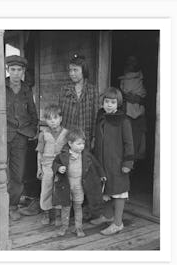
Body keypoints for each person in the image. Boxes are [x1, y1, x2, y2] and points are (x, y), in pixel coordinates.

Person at [90, 87, 134, 235]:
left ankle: (118, 223)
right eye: (107, 101)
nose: (109, 105)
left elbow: (129, 143)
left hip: (117, 163)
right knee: (107, 189)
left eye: (113, 102)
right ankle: (107, 216)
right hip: (102, 161)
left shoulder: (123, 121)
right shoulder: (101, 116)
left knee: (119, 191)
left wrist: (128, 163)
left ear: (118, 104)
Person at [52, 128, 106, 237]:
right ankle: (64, 226)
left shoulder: (86, 155)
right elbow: (54, 164)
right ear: (70, 143)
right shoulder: (63, 155)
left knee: (78, 206)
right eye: (78, 144)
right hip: (66, 186)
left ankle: (78, 227)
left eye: (83, 143)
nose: (82, 146)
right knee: (66, 207)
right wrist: (59, 168)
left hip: (79, 186)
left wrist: (102, 175)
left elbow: (96, 165)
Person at [5, 55, 38, 221]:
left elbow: (33, 113)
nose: (16, 73)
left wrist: (33, 130)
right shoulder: (0, 86)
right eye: (13, 70)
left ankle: (12, 206)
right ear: (8, 70)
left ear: (23, 71)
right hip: (3, 135)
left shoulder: (26, 89)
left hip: (21, 137)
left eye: (19, 70)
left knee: (18, 174)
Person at [27, 104, 68, 225]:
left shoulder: (66, 133)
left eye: (55, 118)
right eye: (49, 119)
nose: (53, 121)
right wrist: (39, 168)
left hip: (60, 165)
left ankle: (58, 215)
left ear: (60, 118)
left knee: (60, 189)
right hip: (47, 166)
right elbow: (39, 153)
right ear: (46, 120)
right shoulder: (43, 134)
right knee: (46, 189)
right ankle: (45, 213)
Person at [58, 54, 99, 151]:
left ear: (83, 71)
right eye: (70, 70)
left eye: (75, 70)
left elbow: (95, 115)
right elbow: (59, 114)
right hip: (67, 138)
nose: (72, 73)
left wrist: (94, 137)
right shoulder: (64, 90)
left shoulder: (92, 90)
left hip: (85, 138)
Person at [118, 56, 147, 160]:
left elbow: (148, 97)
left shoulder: (142, 78)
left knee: (137, 142)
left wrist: (138, 99)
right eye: (130, 62)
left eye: (134, 62)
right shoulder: (123, 80)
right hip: (126, 114)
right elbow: (120, 96)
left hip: (139, 115)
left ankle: (133, 166)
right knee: (126, 141)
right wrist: (126, 97)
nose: (132, 64)